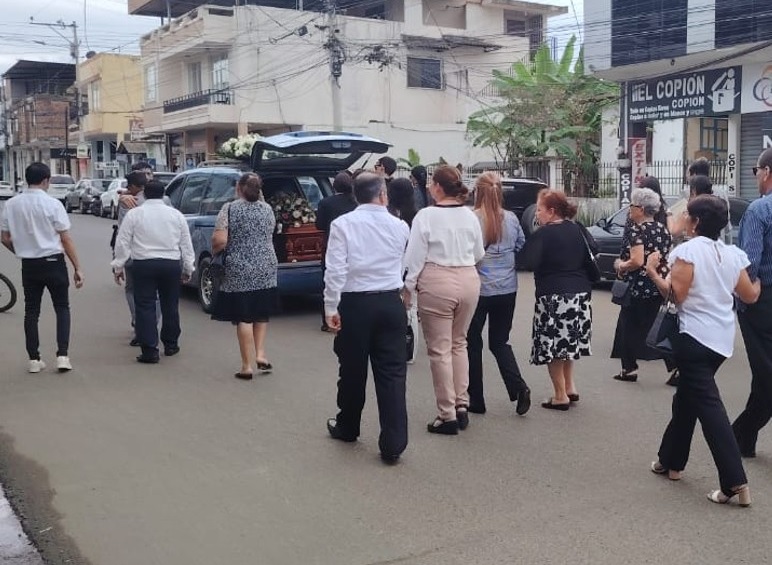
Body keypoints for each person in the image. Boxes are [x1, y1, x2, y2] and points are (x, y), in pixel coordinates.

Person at [646, 195, 760, 507]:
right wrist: (759, 279)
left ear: (695, 222)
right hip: (721, 341)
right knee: (686, 399)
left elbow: (676, 294)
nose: (680, 217)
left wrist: (653, 272)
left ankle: (735, 481)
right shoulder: (732, 254)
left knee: (709, 409)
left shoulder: (688, 250)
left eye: (686, 214)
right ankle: (670, 461)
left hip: (693, 338)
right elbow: (749, 295)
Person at [323, 172, 410, 464]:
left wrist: (331, 308)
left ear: (355, 196)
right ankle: (394, 442)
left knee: (352, 369)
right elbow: (402, 266)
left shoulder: (342, 225)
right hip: (389, 300)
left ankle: (348, 426)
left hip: (355, 303)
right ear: (382, 194)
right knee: (393, 373)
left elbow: (335, 270)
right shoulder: (400, 226)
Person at [403, 165, 485, 434]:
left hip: (437, 280)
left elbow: (414, 258)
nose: (428, 187)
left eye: (431, 183)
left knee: (439, 350)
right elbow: (478, 253)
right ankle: (462, 404)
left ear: (438, 187)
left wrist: (408, 287)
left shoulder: (425, 216)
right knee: (459, 343)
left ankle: (446, 414)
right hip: (469, 279)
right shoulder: (470, 216)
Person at [0, 162, 84, 373]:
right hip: (54, 262)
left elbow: (5, 237)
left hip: (30, 265)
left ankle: (34, 360)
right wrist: (77, 268)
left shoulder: (11, 204)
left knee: (31, 311)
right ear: (46, 180)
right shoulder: (53, 204)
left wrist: (20, 251)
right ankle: (63, 356)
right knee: (62, 308)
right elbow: (66, 239)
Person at [522, 189, 593, 411]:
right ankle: (570, 387)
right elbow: (592, 252)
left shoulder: (544, 234)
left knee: (553, 347)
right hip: (580, 294)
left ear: (551, 212)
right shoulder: (577, 229)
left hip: (554, 296)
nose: (537, 215)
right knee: (568, 345)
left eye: (540, 210)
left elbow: (528, 262)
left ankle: (560, 395)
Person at [466, 172, 530, 416]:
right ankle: (519, 386)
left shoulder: (473, 219)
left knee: (473, 343)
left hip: (479, 288)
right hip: (507, 289)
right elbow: (521, 244)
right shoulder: (511, 218)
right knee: (500, 342)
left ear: (478, 192)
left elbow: (467, 253)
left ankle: (476, 399)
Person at [111, 181, 194, 364]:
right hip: (170, 263)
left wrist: (118, 266)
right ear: (164, 194)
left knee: (145, 306)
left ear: (145, 195)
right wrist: (188, 268)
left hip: (144, 264)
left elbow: (123, 241)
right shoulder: (176, 215)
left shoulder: (135, 214)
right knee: (170, 305)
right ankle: (171, 344)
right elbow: (186, 244)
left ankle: (149, 350)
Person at [211, 173, 279, 379]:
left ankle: (246, 366)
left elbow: (220, 240)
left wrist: (214, 250)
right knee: (260, 313)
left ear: (239, 188)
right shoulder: (267, 209)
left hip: (239, 267)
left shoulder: (230, 208)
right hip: (267, 265)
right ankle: (260, 354)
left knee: (244, 316)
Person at [611, 188, 674, 384]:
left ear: (640, 209)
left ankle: (629, 368)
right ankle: (676, 364)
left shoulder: (636, 229)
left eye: (631, 205)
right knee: (653, 328)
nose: (629, 209)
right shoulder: (663, 229)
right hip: (657, 285)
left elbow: (637, 260)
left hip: (638, 285)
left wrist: (621, 265)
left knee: (628, 327)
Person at [733, 148, 772, 459]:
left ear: (767, 171)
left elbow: (748, 263)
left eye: (757, 170)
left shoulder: (760, 210)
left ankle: (742, 432)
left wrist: (748, 293)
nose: (756, 177)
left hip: (763, 302)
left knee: (766, 373)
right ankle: (744, 435)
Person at [315, 172, 357, 332]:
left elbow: (319, 225)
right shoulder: (356, 203)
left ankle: (328, 320)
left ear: (334, 186)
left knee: (329, 280)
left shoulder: (326, 202)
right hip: (353, 247)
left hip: (331, 246)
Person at [114, 171, 148, 346]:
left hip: (134, 254)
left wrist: (117, 263)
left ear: (135, 186)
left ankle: (139, 323)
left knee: (132, 290)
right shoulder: (163, 201)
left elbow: (123, 234)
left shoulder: (128, 202)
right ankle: (150, 326)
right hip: (157, 255)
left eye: (129, 185)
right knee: (152, 294)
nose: (127, 189)